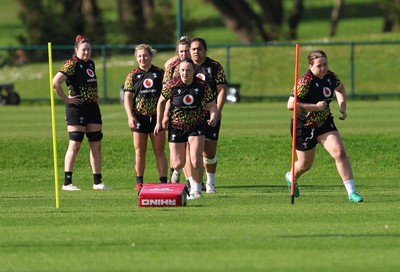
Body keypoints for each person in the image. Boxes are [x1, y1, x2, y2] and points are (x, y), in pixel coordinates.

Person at [285, 50, 363, 203]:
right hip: (304, 126)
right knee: (305, 165)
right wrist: (315, 107)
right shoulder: (305, 81)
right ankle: (291, 176)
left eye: (325, 64)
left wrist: (343, 106)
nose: (323, 68)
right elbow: (290, 105)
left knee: (339, 152)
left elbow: (340, 88)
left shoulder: (330, 77)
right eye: (319, 65)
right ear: (311, 66)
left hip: (324, 122)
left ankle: (351, 193)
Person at [154, 58, 218, 199]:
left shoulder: (202, 85)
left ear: (193, 71)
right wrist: (159, 122)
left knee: (195, 160)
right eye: (182, 70)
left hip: (196, 126)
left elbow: (212, 104)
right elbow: (161, 102)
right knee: (178, 163)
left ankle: (196, 190)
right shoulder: (171, 85)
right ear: (178, 71)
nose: (185, 73)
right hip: (176, 127)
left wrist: (213, 116)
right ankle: (176, 173)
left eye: (188, 70)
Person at [53, 35, 110, 191]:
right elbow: (55, 82)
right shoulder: (71, 64)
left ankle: (97, 182)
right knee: (75, 145)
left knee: (96, 145)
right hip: (77, 109)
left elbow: (92, 82)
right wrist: (67, 99)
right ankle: (67, 183)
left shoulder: (90, 63)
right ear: (76, 50)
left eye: (89, 49)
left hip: (92, 108)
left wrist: (95, 96)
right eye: (83, 49)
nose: (86, 52)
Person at [123, 44, 168, 191]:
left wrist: (163, 117)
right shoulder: (132, 75)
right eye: (139, 56)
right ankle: (139, 181)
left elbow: (167, 96)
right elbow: (127, 97)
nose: (142, 58)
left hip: (157, 118)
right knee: (139, 151)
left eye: (145, 55)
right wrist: (130, 116)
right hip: (139, 118)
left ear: (151, 55)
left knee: (159, 150)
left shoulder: (160, 73)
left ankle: (163, 182)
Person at [189, 38, 227, 193]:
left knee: (209, 152)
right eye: (193, 49)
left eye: (199, 49)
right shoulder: (184, 66)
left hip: (210, 114)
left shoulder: (214, 66)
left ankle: (210, 182)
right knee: (192, 152)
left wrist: (217, 110)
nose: (196, 52)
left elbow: (222, 90)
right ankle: (194, 184)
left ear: (205, 50)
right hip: (190, 116)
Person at [162, 36, 192, 184]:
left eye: (187, 50)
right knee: (178, 150)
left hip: (194, 112)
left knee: (192, 149)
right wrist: (166, 113)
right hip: (176, 112)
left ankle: (191, 181)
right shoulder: (172, 66)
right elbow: (166, 92)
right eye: (181, 51)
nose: (184, 53)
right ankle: (175, 174)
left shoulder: (196, 65)